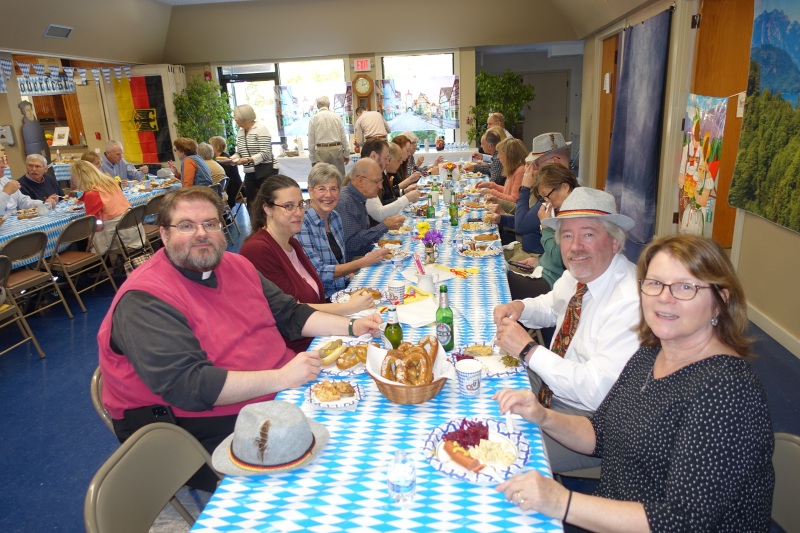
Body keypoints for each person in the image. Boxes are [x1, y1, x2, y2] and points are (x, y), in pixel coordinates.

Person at [97, 186, 382, 487]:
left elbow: (289, 314)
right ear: (164, 235)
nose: (201, 234)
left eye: (210, 224)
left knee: (363, 418)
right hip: (190, 425)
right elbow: (191, 386)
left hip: (276, 391)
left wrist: (352, 326)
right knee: (328, 468)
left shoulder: (236, 266)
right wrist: (282, 378)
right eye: (186, 226)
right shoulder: (146, 299)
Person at [494, 234, 774, 531]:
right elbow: (599, 433)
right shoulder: (649, 355)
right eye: (655, 283)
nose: (664, 297)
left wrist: (560, 501)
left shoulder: (727, 392)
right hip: (612, 514)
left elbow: (683, 522)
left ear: (720, 301)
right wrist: (543, 416)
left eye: (685, 287)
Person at [492, 187, 640, 473]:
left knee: (502, 451)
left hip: (591, 422)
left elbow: (596, 391)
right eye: (567, 236)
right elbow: (552, 306)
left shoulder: (629, 301)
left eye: (588, 234)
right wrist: (520, 307)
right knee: (486, 385)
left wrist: (528, 350)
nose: (575, 247)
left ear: (614, 242)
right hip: (554, 388)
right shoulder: (579, 274)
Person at [240, 176, 375, 351]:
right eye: (288, 206)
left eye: (300, 204)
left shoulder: (292, 244)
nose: (298, 212)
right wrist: (347, 308)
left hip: (319, 334)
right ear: (268, 209)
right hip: (294, 347)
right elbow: (291, 311)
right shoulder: (258, 250)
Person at [298, 163, 388, 299]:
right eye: (322, 189)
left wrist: (351, 277)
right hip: (324, 298)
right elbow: (318, 272)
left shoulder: (334, 217)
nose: (328, 195)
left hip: (343, 289)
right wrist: (362, 262)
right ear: (310, 191)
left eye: (333, 189)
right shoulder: (302, 224)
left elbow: (339, 262)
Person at [505, 163, 580, 301]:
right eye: (543, 198)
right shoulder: (562, 209)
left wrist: (545, 225)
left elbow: (559, 257)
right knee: (496, 273)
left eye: (547, 196)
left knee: (499, 279)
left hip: (550, 283)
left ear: (565, 187)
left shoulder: (575, 214)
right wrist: (539, 260)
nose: (546, 201)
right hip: (543, 271)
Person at [335, 158, 404, 258]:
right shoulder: (345, 202)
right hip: (353, 261)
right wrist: (385, 226)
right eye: (376, 182)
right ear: (360, 181)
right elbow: (351, 244)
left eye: (381, 181)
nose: (380, 186)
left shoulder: (358, 198)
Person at [71, 160, 144, 255]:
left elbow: (95, 224)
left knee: (81, 235)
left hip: (117, 236)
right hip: (134, 230)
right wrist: (83, 198)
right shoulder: (111, 182)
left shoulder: (92, 194)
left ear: (80, 177)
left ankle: (94, 262)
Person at [231, 104, 277, 207]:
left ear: (244, 116)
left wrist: (248, 160)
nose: (235, 119)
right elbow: (240, 152)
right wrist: (232, 159)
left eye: (235, 116)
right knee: (251, 204)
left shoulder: (260, 129)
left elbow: (266, 153)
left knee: (267, 202)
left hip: (265, 171)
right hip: (249, 173)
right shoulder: (240, 132)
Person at [365, 142, 419, 222]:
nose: (388, 162)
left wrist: (403, 192)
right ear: (374, 156)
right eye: (386, 158)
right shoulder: (366, 177)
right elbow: (380, 213)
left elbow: (388, 194)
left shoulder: (380, 173)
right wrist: (406, 198)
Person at [307, 96, 350, 178]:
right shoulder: (336, 117)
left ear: (318, 106)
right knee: (339, 176)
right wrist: (346, 154)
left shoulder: (314, 119)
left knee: (322, 177)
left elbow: (311, 141)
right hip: (336, 149)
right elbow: (343, 136)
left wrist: (313, 159)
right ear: (329, 105)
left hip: (321, 151)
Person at [476, 137, 527, 204]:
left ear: (509, 155)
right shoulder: (513, 168)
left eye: (500, 153)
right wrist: (490, 185)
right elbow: (506, 191)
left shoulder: (520, 171)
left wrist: (491, 192)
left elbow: (514, 200)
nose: (498, 157)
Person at [209, 135, 243, 209]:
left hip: (231, 190)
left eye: (210, 145)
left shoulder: (223, 160)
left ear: (216, 147)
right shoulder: (225, 157)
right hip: (236, 188)